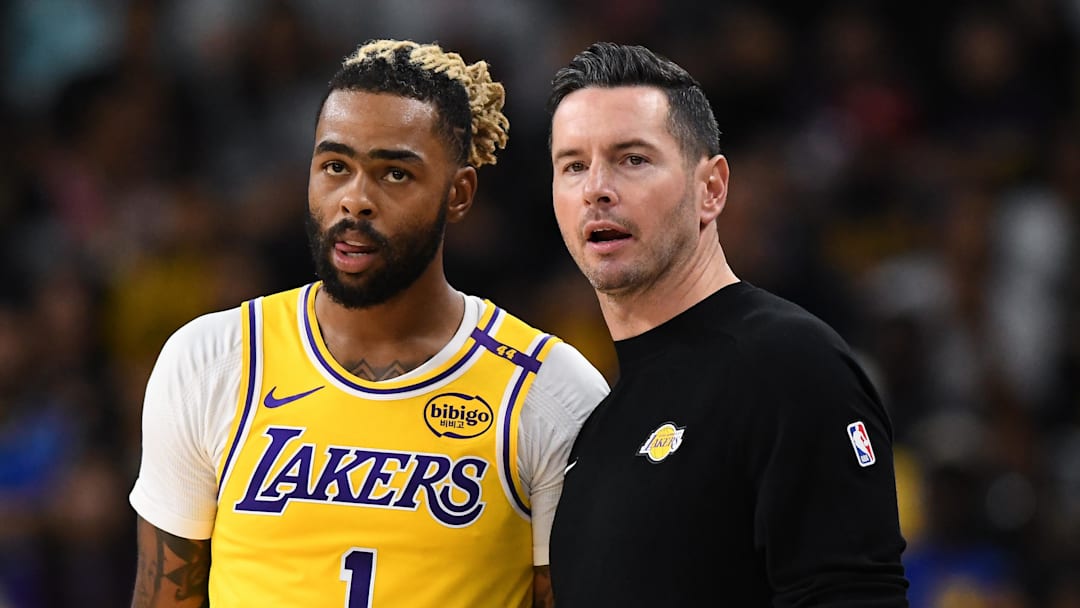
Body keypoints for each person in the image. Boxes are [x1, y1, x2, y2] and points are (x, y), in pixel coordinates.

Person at [128, 39, 608, 608]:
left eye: (394, 175)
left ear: (458, 195)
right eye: (335, 166)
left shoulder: (549, 391)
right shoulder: (210, 361)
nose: (355, 200)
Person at [546, 42, 909, 605]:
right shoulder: (598, 422)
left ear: (710, 188)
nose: (596, 188)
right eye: (573, 165)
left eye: (632, 159)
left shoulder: (790, 364)